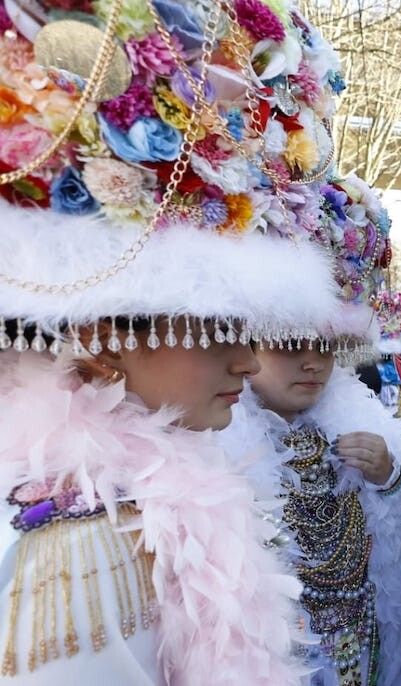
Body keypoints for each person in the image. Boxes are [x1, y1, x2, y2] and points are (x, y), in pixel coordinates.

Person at [0, 0, 349, 677]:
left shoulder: (135, 506)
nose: (248, 363)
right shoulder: (81, 546)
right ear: (101, 342)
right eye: (218, 331)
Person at [220, 180, 401, 685]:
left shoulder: (352, 424)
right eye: (289, 344)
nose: (312, 363)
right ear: (245, 348)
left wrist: (388, 477)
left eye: (325, 347)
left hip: (366, 641)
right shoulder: (217, 445)